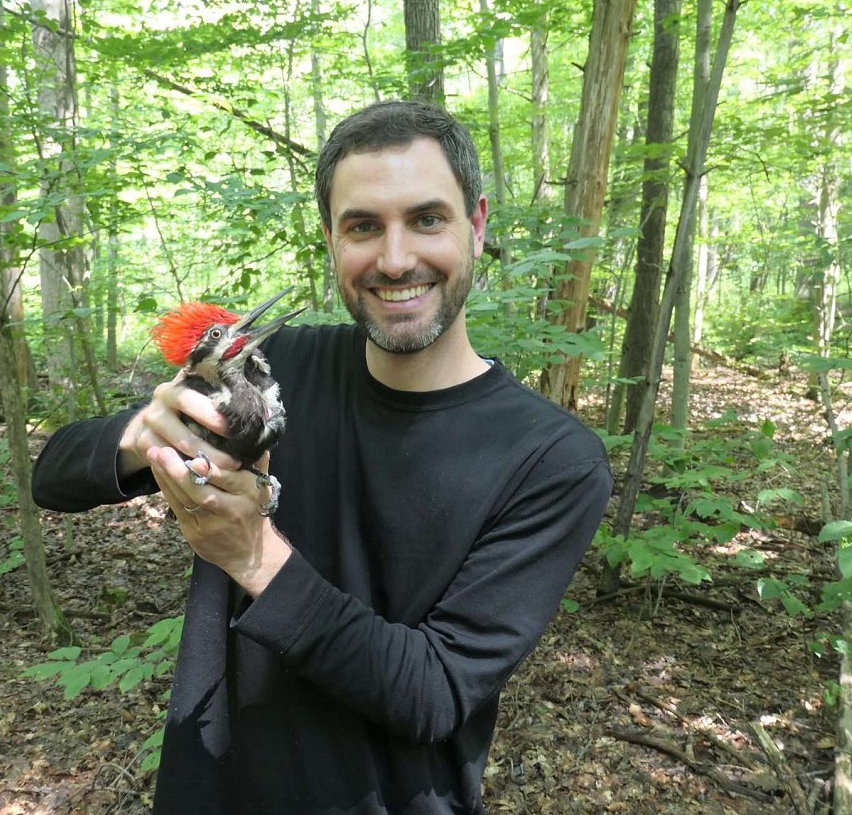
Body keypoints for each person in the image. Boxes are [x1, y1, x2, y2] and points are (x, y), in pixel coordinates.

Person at [33, 100, 611, 814]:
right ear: (332, 241)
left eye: (426, 218)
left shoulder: (551, 459)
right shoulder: (274, 371)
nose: (395, 259)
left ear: (477, 223)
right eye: (363, 226)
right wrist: (146, 433)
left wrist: (252, 556)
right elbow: (52, 476)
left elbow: (433, 693)